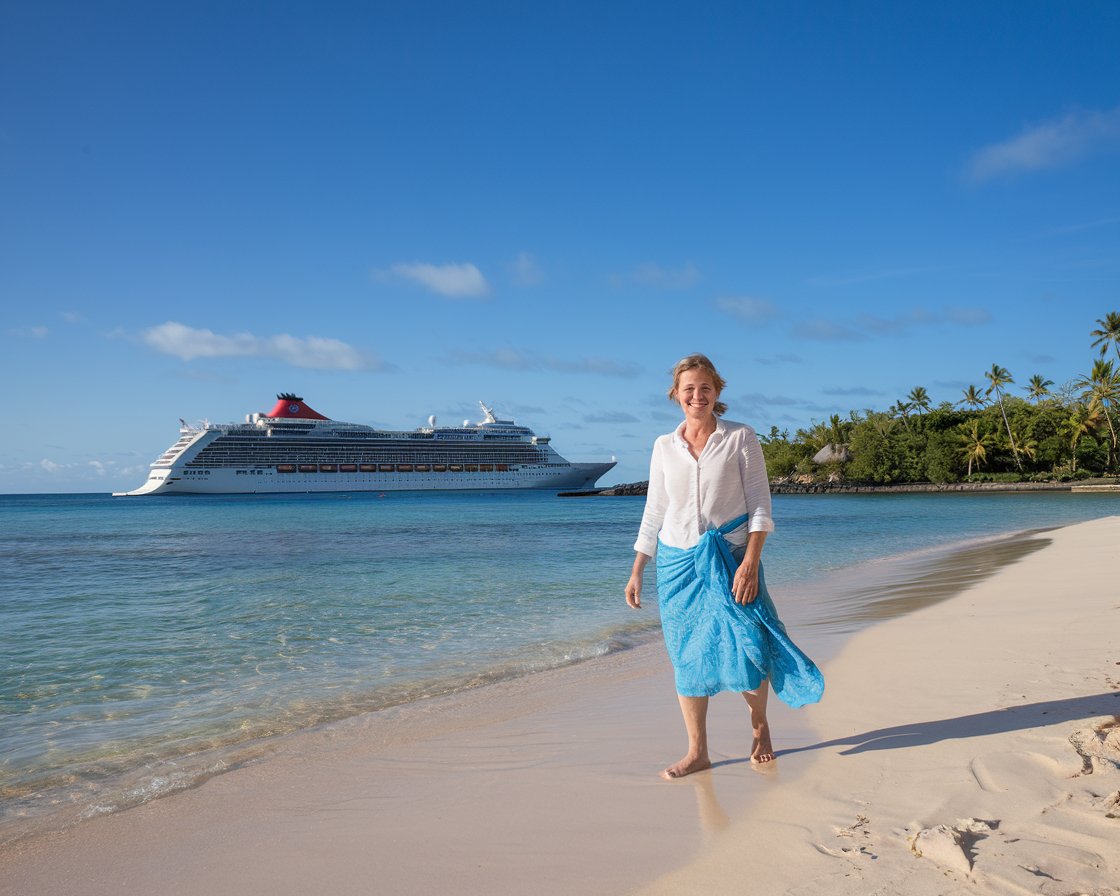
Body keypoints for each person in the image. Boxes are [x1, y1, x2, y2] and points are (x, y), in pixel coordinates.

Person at [625, 353, 823, 779]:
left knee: (749, 643)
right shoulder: (663, 446)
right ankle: (698, 751)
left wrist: (751, 562)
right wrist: (639, 566)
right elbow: (654, 509)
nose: (697, 395)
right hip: (677, 564)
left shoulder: (740, 437)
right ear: (676, 395)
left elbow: (760, 507)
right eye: (688, 388)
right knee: (686, 655)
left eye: (705, 387)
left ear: (717, 392)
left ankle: (760, 727)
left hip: (733, 558)